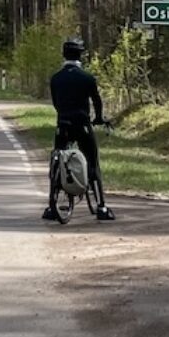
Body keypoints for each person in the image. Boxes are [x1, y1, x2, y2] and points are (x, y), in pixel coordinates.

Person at [43, 36, 115, 222]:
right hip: (82, 124)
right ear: (80, 56)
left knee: (56, 161)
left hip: (63, 124)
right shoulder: (87, 78)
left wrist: (63, 114)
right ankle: (101, 206)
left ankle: (51, 205)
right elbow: (97, 101)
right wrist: (98, 118)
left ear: (64, 55)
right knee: (92, 162)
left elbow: (56, 103)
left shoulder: (56, 78)